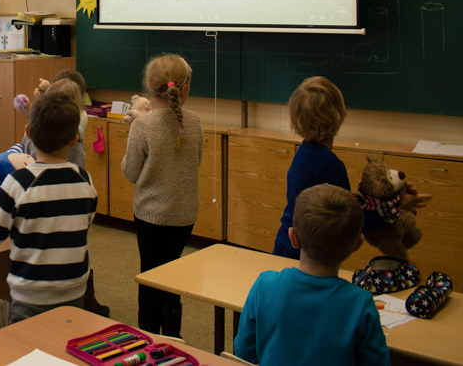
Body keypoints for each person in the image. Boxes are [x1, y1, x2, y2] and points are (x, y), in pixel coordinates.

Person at [0, 92, 98, 325]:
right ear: (74, 139)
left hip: (30, 294)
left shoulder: (18, 182)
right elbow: (85, 221)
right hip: (74, 290)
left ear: (28, 133)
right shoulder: (85, 180)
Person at [273, 77, 431, 259]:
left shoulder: (304, 152)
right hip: (308, 255)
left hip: (287, 241)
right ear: (338, 115)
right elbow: (348, 223)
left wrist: (384, 201)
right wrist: (397, 207)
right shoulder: (330, 165)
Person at [235, 183, 390, 366]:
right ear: (358, 243)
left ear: (293, 237)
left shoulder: (264, 285)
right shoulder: (361, 303)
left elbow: (244, 354)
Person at [121, 54, 203, 338]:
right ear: (184, 88)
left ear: (149, 88)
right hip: (185, 215)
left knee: (150, 275)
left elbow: (130, 173)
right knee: (172, 275)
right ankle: (172, 336)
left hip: (151, 216)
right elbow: (196, 162)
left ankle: (148, 335)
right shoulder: (194, 122)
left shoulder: (142, 125)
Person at [19, 72, 111, 318]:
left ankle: (84, 298)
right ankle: (84, 298)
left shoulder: (21, 178)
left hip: (42, 198)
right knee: (75, 246)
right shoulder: (75, 136)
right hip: (68, 202)